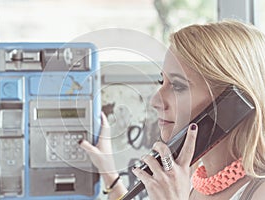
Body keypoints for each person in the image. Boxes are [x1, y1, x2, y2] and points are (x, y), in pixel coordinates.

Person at [79, 19, 265, 199]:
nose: (155, 101)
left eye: (177, 86)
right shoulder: (188, 182)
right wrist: (109, 173)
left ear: (234, 103)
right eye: (162, 81)